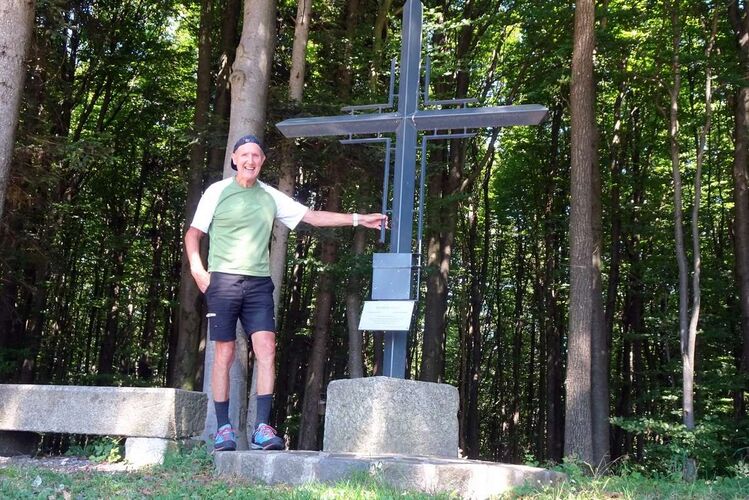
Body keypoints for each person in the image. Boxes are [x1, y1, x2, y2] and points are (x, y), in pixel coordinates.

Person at [185, 134, 387, 452]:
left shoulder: (270, 195)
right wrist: (198, 269)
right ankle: (223, 428)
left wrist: (359, 219)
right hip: (223, 281)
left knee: (267, 349)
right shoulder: (217, 192)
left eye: (256, 155)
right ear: (234, 159)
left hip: (258, 283)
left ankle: (262, 429)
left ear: (262, 161)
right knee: (224, 353)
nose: (250, 160)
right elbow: (193, 234)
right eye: (244, 155)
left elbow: (312, 217)